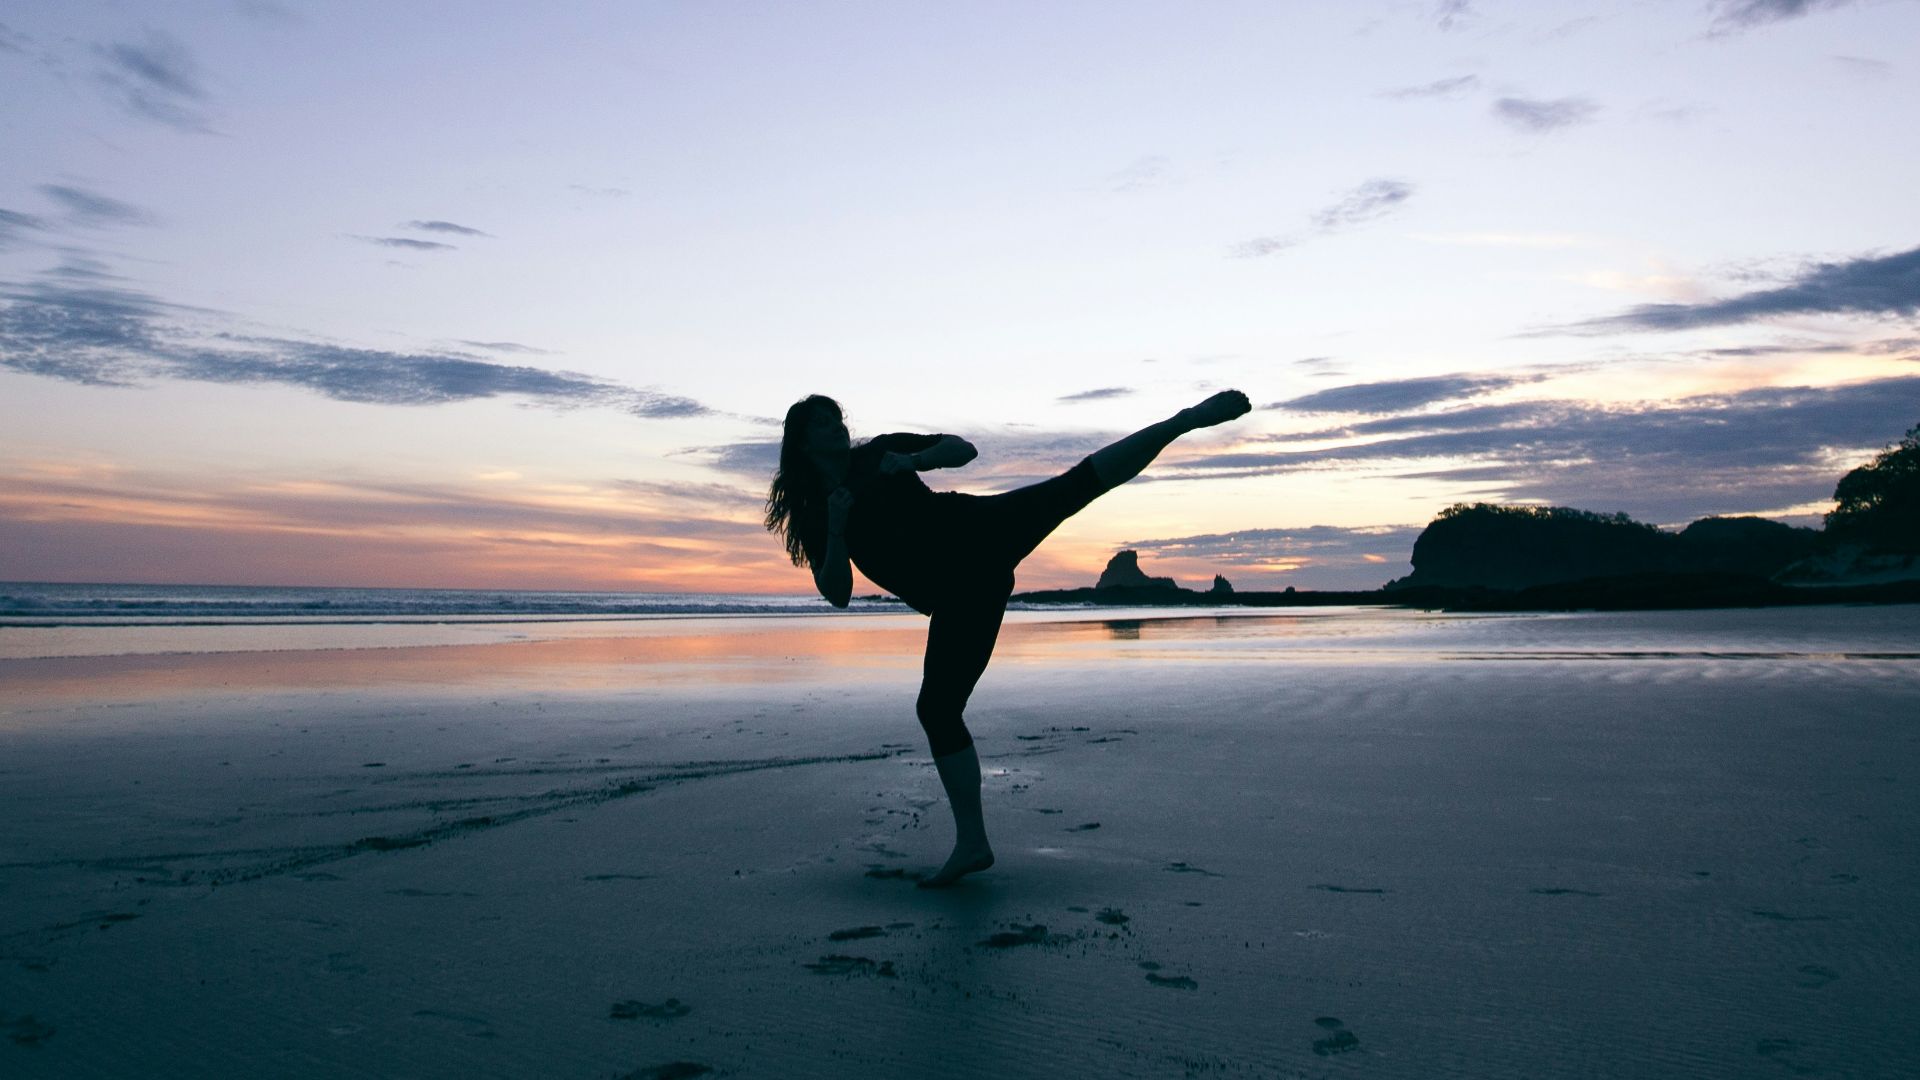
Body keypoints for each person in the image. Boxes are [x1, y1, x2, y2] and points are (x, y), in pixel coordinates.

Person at [765, 390, 1251, 886]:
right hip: (962, 595)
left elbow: (963, 449)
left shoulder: (879, 453)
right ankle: (972, 844)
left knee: (1075, 486)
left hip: (981, 532)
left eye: (837, 419)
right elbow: (838, 592)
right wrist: (840, 528)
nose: (837, 428)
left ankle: (1184, 420)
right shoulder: (816, 512)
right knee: (937, 709)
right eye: (822, 424)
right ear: (803, 443)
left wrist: (912, 460)